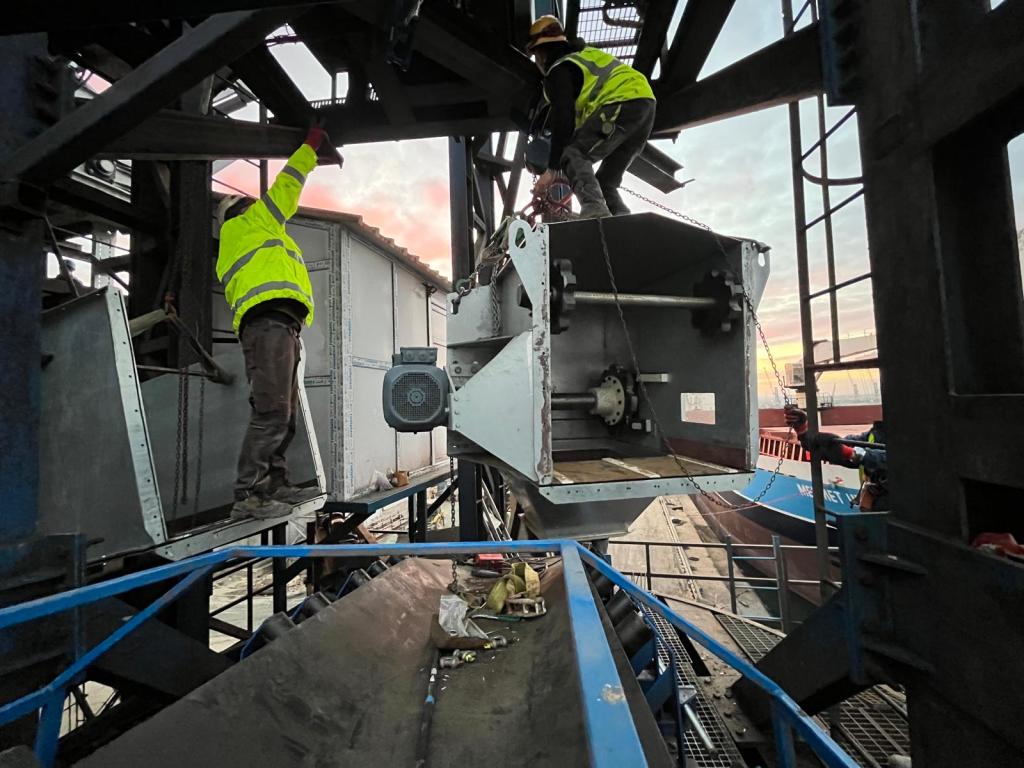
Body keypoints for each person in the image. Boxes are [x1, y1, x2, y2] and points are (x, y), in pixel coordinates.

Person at [215, 126, 339, 520]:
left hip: (278, 326)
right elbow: (288, 183)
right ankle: (249, 493)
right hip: (269, 325)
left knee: (283, 413)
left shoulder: (248, 238)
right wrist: (310, 149)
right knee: (272, 412)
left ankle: (273, 484)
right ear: (240, 211)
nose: (262, 206)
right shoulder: (251, 225)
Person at [526, 14, 656, 219]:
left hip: (622, 101)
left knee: (573, 153)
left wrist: (552, 169)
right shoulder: (585, 57)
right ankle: (622, 221)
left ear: (540, 53)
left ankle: (595, 211)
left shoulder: (559, 71)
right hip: (644, 105)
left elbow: (564, 115)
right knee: (606, 181)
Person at [784, 406, 888, 511]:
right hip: (878, 504)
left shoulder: (895, 433)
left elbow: (893, 459)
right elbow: (841, 448)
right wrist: (803, 433)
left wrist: (852, 453)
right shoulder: (877, 433)